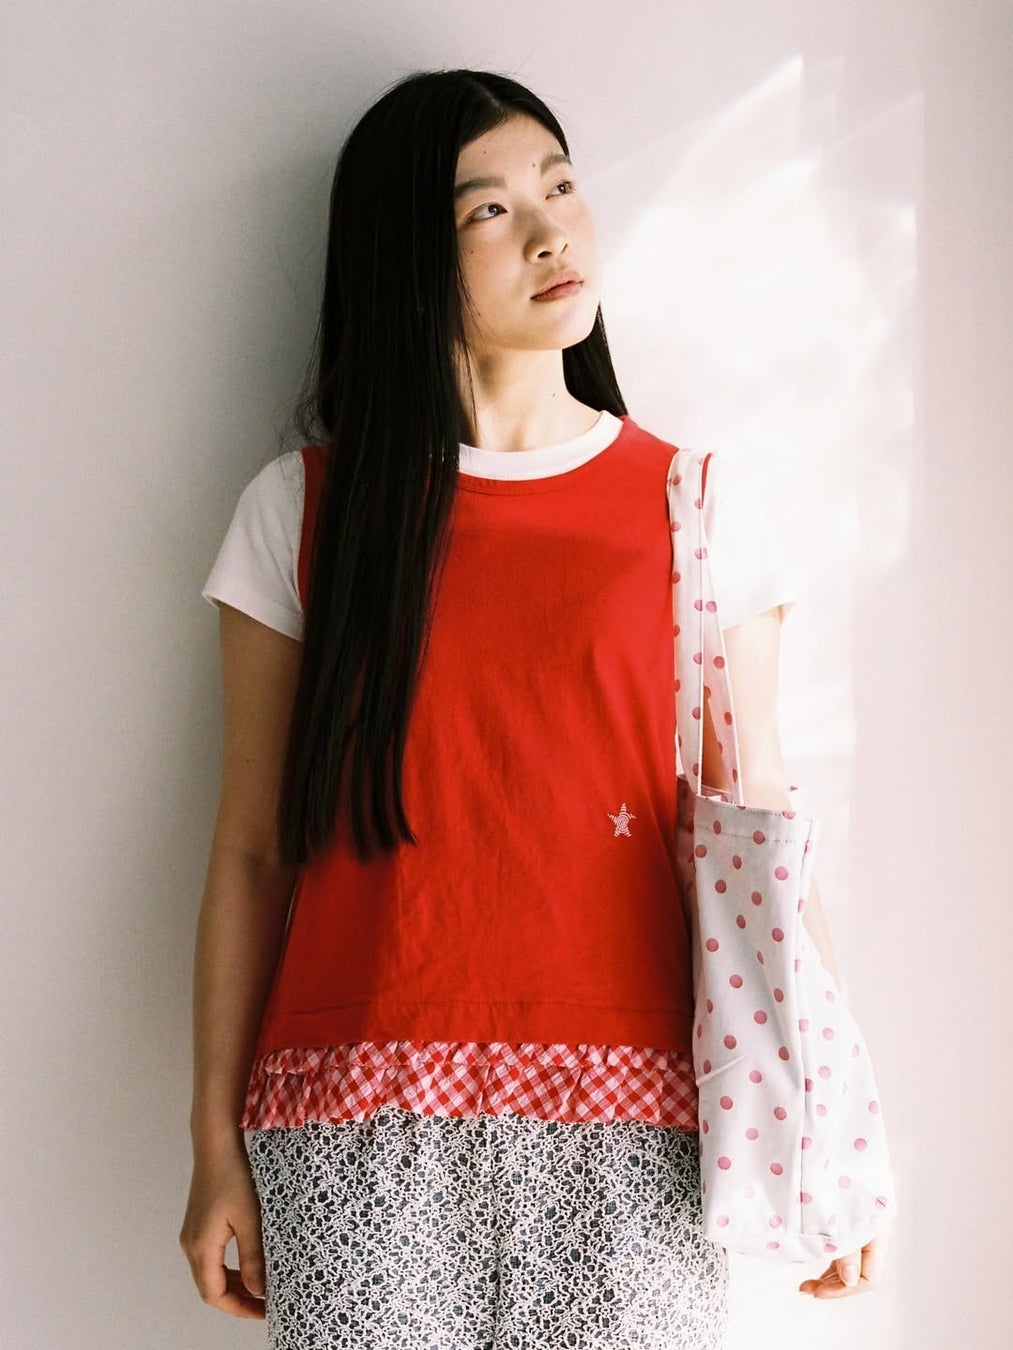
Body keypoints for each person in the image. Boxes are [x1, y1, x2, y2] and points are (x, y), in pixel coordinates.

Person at [179, 67, 889, 1350]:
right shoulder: (303, 511)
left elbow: (761, 842)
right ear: (406, 258)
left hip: (641, 1125)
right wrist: (213, 1141)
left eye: (560, 186)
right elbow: (250, 848)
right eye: (489, 210)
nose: (553, 231)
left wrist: (830, 1136)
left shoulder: (695, 510)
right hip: (357, 1124)